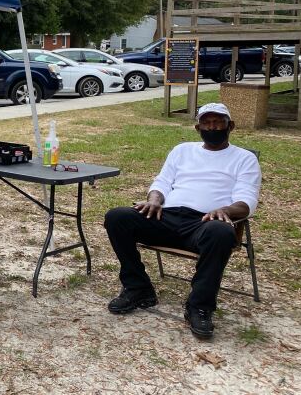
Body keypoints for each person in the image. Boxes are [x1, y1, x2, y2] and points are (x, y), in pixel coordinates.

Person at [103, 102, 261, 339]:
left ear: (231, 126)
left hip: (204, 224)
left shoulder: (244, 158)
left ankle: (199, 306)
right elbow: (162, 182)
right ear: (198, 128)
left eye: (219, 122)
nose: (213, 127)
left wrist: (224, 210)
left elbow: (247, 201)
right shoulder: (182, 150)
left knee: (221, 233)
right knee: (117, 217)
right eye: (207, 123)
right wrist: (154, 199)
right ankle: (138, 288)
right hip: (167, 216)